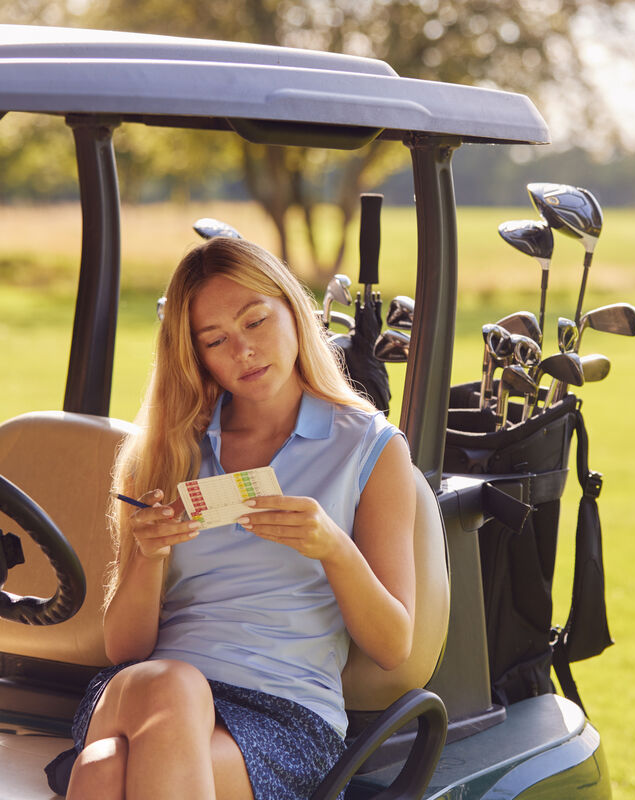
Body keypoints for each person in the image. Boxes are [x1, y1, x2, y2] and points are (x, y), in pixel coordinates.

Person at [51, 237, 416, 799]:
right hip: (147, 690)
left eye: (256, 321)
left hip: (286, 714)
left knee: (103, 772)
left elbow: (393, 647)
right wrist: (149, 555)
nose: (243, 350)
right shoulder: (166, 452)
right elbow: (124, 650)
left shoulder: (373, 449)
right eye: (216, 340)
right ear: (196, 356)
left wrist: (333, 548)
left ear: (294, 311)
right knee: (172, 684)